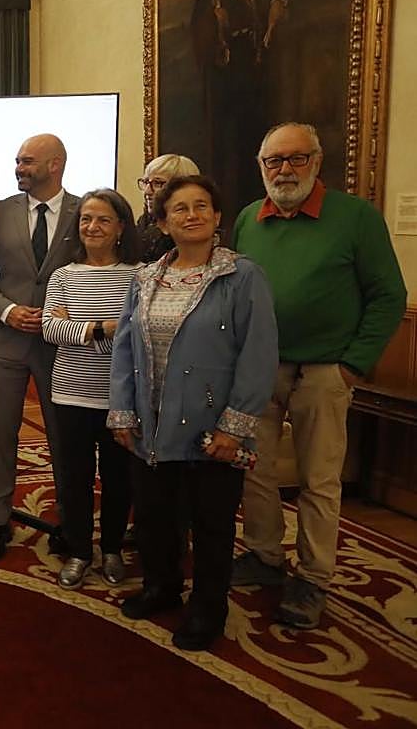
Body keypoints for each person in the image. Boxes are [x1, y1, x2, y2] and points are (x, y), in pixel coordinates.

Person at [230, 122, 406, 629]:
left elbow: (388, 295)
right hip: (259, 368)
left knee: (319, 478)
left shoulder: (354, 218)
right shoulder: (248, 218)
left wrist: (353, 364)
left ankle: (313, 576)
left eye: (296, 159)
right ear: (261, 167)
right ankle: (264, 555)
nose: (284, 170)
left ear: (317, 162)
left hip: (325, 369)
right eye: (274, 161)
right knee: (254, 468)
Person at [108, 173, 278, 652]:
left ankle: (207, 609)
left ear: (218, 216)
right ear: (163, 222)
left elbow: (258, 354)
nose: (192, 215)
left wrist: (235, 425)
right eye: (179, 208)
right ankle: (162, 587)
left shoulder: (241, 276)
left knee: (211, 522)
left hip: (211, 427)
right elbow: (124, 348)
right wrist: (122, 411)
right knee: (156, 516)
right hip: (150, 424)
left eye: (202, 205)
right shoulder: (145, 278)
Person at [0, 133, 82, 561]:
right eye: (17, 161)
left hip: (64, 347)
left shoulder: (84, 212)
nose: (19, 168)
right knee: (0, 434)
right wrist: (6, 309)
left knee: (64, 437)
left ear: (55, 165)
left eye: (28, 161)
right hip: (4, 343)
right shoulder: (0, 212)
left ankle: (72, 521)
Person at [42, 189, 142, 589]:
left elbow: (138, 332)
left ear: (120, 227)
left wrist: (79, 330)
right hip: (70, 394)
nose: (92, 227)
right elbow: (51, 330)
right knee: (74, 477)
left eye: (102, 219)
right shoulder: (63, 276)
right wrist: (104, 328)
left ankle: (113, 548)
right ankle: (81, 551)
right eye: (85, 219)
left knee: (120, 478)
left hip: (121, 397)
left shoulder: (140, 275)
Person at [190, 0, 288, 223]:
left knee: (255, 132)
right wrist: (214, 20)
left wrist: (277, 3)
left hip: (255, 57)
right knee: (227, 138)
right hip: (226, 63)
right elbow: (200, 17)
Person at [137, 154, 200, 263]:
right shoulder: (144, 221)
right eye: (146, 182)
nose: (147, 191)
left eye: (157, 183)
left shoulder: (192, 226)